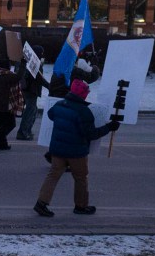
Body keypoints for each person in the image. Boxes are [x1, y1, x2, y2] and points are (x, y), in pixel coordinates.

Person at [32, 79, 120, 217]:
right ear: (83, 95)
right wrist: (109, 127)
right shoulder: (84, 112)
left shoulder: (59, 105)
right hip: (76, 152)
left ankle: (41, 203)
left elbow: (50, 115)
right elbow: (91, 134)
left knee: (53, 176)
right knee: (80, 178)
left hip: (57, 149)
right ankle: (80, 206)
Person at [0, 57, 21, 150]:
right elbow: (18, 77)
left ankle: (3, 144)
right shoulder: (4, 75)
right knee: (10, 124)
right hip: (4, 105)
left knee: (1, 125)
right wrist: (23, 63)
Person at [16, 46, 49, 140]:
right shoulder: (35, 63)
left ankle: (27, 131)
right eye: (41, 53)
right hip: (31, 90)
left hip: (25, 89)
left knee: (33, 110)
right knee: (30, 111)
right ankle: (23, 132)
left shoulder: (26, 61)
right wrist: (49, 86)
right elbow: (39, 79)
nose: (42, 55)